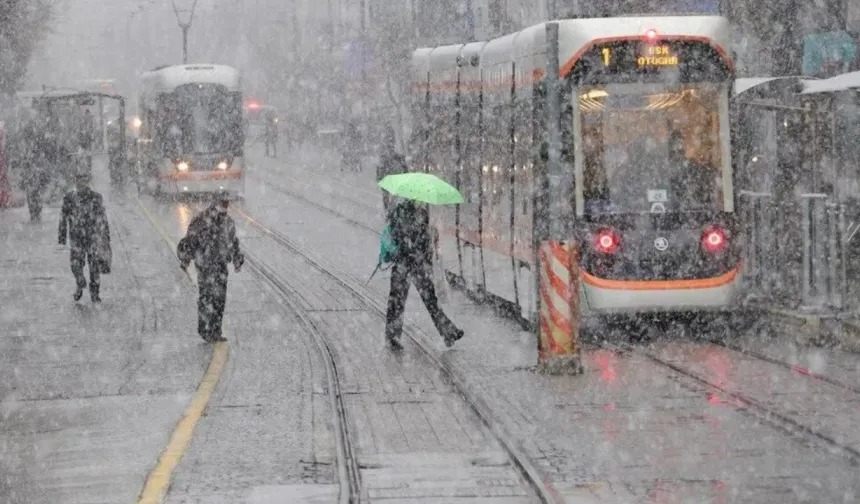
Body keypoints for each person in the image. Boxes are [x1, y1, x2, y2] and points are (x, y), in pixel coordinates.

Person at [385, 199, 463, 351]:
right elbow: (423, 242)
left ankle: (393, 336)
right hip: (415, 264)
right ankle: (448, 332)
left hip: (403, 264)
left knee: (397, 301)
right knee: (429, 301)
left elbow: (394, 235)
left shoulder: (398, 213)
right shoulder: (417, 214)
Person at [177, 192, 244, 343]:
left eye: (227, 203)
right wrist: (186, 259)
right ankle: (205, 329)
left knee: (219, 299)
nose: (226, 206)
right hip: (205, 265)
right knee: (207, 297)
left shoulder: (228, 222)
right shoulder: (202, 220)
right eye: (223, 202)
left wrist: (237, 259)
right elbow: (190, 241)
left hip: (220, 266)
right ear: (215, 202)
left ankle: (216, 330)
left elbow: (233, 242)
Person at [58, 171, 111, 302]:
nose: (82, 183)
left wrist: (62, 236)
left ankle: (88, 288)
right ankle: (86, 288)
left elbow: (102, 218)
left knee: (86, 265)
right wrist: (62, 235)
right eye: (80, 180)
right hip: (84, 237)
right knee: (84, 265)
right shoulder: (74, 198)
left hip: (85, 236)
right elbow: (63, 218)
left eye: (83, 180)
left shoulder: (88, 197)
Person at [376, 126, 407, 213]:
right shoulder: (388, 156)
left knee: (387, 193)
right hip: (388, 172)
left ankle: (388, 210)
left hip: (387, 173)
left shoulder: (385, 156)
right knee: (388, 193)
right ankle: (389, 210)